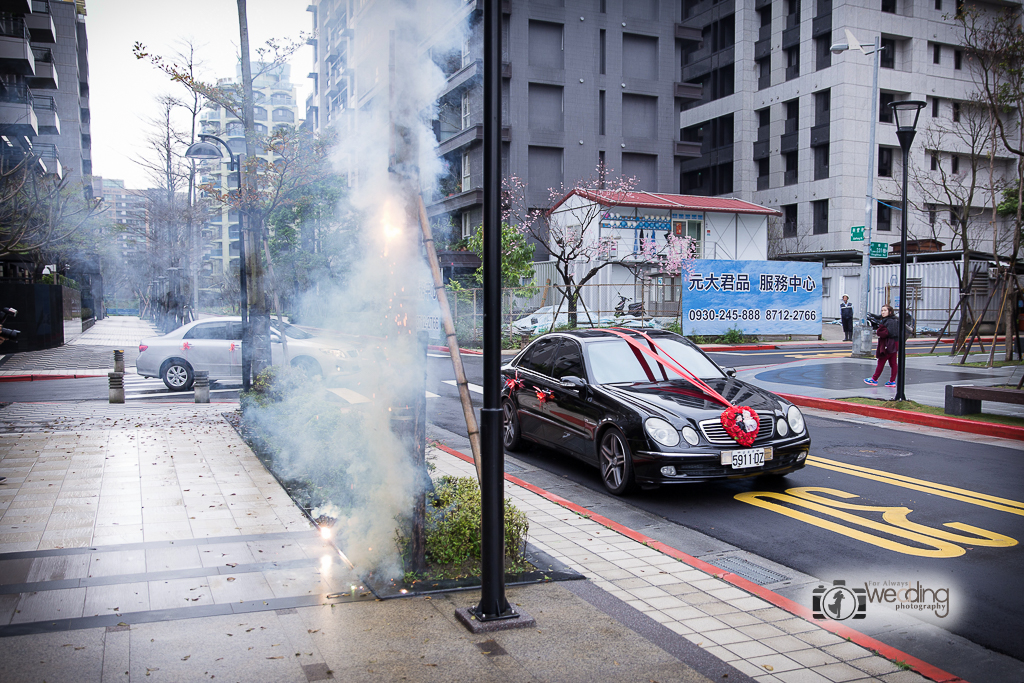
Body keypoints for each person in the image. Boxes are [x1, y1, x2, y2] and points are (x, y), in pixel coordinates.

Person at [865, 304, 900, 387]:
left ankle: (874, 379)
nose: (883, 312)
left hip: (889, 343)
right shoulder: (892, 320)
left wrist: (881, 331)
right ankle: (892, 381)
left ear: (890, 312)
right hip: (893, 343)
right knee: (893, 362)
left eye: (885, 310)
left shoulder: (890, 321)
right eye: (882, 310)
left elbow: (890, 333)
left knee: (882, 360)